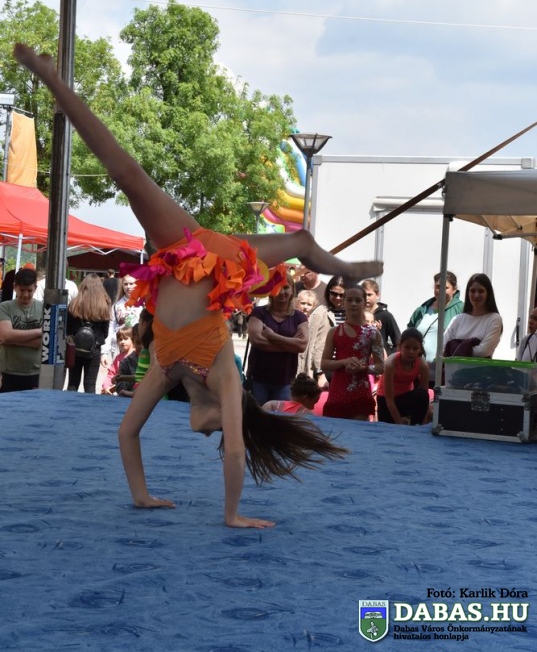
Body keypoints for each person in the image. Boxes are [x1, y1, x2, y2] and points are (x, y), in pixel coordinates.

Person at [13, 43, 382, 529]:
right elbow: (236, 449)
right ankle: (52, 78)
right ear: (231, 414)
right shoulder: (226, 377)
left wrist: (142, 495)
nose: (207, 433)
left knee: (294, 238)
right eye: (216, 429)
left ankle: (339, 265)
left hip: (180, 257)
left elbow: (127, 434)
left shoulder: (164, 370)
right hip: (206, 252)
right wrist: (232, 515)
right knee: (131, 175)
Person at [321, 284, 384, 421]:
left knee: (359, 431)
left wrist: (363, 368)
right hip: (338, 391)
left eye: (358, 300)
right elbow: (324, 364)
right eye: (349, 300)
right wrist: (344, 362)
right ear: (343, 303)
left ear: (364, 303)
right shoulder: (334, 332)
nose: (353, 304)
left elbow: (381, 367)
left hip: (361, 393)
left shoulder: (373, 333)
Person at [246, 274, 308, 404]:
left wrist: (273, 336)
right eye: (277, 287)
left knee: (280, 415)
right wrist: (291, 345)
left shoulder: (299, 317)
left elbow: (302, 346)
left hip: (285, 381)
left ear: (292, 290)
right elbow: (256, 340)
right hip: (258, 379)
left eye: (286, 287)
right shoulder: (259, 312)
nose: (282, 292)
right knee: (257, 414)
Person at [408, 271, 463, 383]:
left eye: (445, 288)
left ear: (454, 289)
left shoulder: (461, 309)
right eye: (438, 287)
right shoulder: (422, 309)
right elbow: (408, 335)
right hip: (418, 374)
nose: (440, 290)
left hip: (446, 376)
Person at [66, 273, 111, 394]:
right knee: (90, 385)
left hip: (75, 348)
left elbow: (68, 329)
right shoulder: (104, 304)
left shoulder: (74, 304)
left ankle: (68, 404)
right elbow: (105, 333)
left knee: (72, 383)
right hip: (94, 349)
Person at [0, 267, 43, 391]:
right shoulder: (5, 307)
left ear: (35, 288)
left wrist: (12, 339)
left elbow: (41, 342)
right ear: (15, 287)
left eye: (29, 290)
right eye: (22, 290)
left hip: (35, 373)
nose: (25, 295)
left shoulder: (43, 308)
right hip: (8, 373)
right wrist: (39, 331)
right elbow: (5, 336)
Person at [376, 328, 430, 425]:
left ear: (420, 349)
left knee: (422, 394)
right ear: (400, 346)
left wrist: (423, 423)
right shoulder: (391, 363)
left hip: (405, 397)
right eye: (407, 347)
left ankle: (415, 427)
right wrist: (400, 424)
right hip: (386, 400)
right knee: (387, 428)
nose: (411, 352)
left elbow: (425, 398)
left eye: (415, 348)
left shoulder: (422, 365)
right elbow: (389, 401)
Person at [443, 273, 502, 359]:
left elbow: (483, 351)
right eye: (473, 291)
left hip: (479, 368)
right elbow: (443, 346)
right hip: (453, 367)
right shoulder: (457, 319)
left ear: (488, 294)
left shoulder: (494, 319)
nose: (476, 295)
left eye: (481, 291)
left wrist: (454, 350)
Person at [301, 275, 346, 384]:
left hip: (346, 368)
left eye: (342, 295)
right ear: (328, 292)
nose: (338, 298)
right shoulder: (320, 312)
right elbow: (311, 345)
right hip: (325, 371)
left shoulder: (352, 314)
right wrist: (319, 373)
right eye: (334, 294)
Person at [361, 279, 401, 354]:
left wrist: (390, 357)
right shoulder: (358, 315)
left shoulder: (385, 315)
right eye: (363, 295)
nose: (366, 298)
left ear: (377, 295)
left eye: (369, 295)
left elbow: (398, 342)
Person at [101, 326, 135, 394]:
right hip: (121, 392)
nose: (122, 342)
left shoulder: (137, 355)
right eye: (120, 339)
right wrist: (106, 386)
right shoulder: (118, 358)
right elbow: (111, 375)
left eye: (126, 339)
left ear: (132, 339)